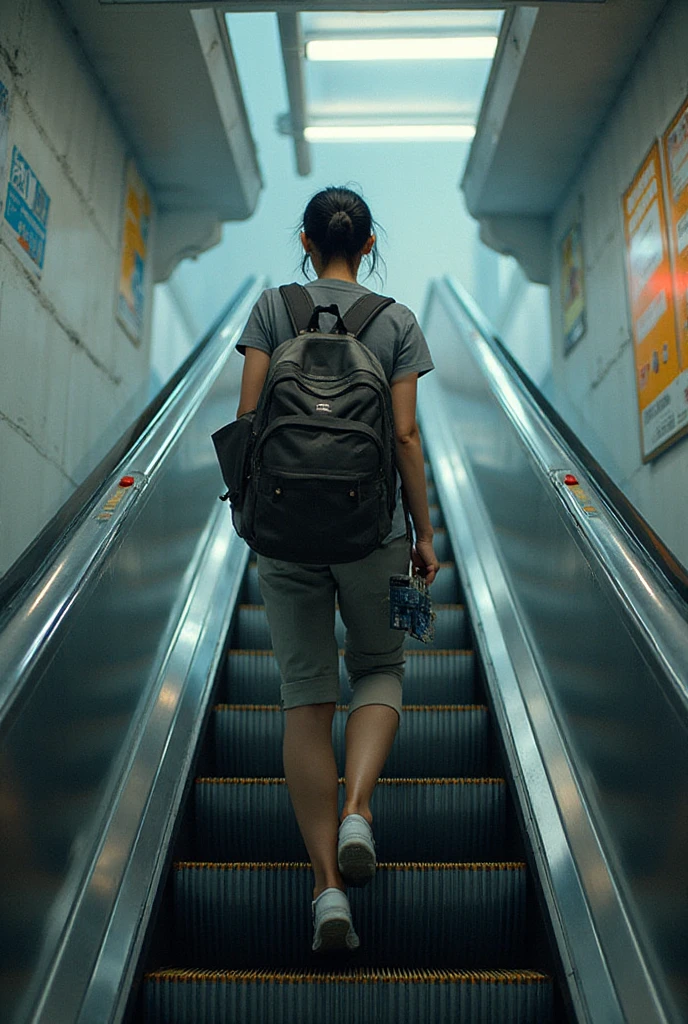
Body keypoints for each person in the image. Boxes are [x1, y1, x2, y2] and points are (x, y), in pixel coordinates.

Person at [235, 186, 439, 953]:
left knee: (305, 699)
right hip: (374, 533)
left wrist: (251, 515)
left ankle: (325, 890)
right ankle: (358, 806)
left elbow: (250, 421)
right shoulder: (395, 321)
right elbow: (408, 437)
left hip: (284, 536)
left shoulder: (271, 309)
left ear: (305, 238)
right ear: (370, 243)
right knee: (381, 668)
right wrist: (421, 533)